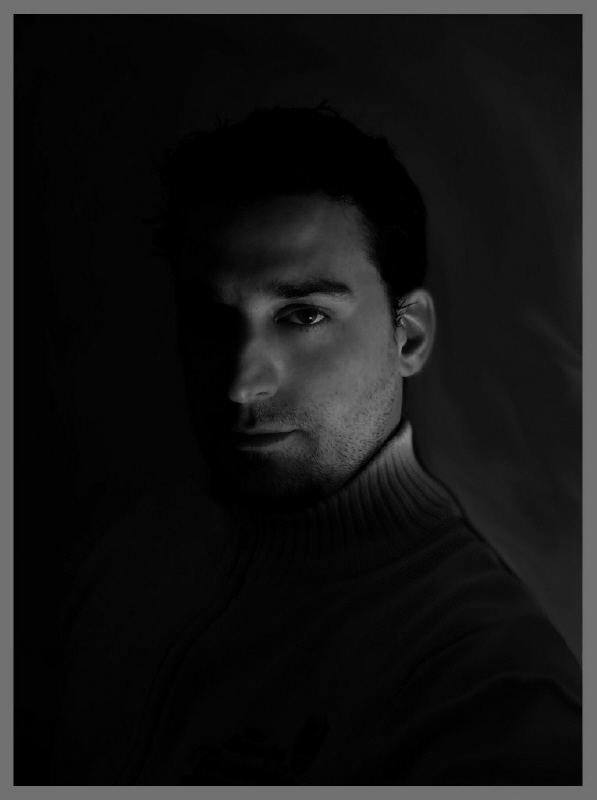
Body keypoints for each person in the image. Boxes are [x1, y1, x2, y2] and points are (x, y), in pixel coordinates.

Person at [51, 106, 582, 785]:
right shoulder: (127, 563)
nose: (242, 382)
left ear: (409, 336)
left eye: (302, 316)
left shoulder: (486, 685)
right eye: (210, 320)